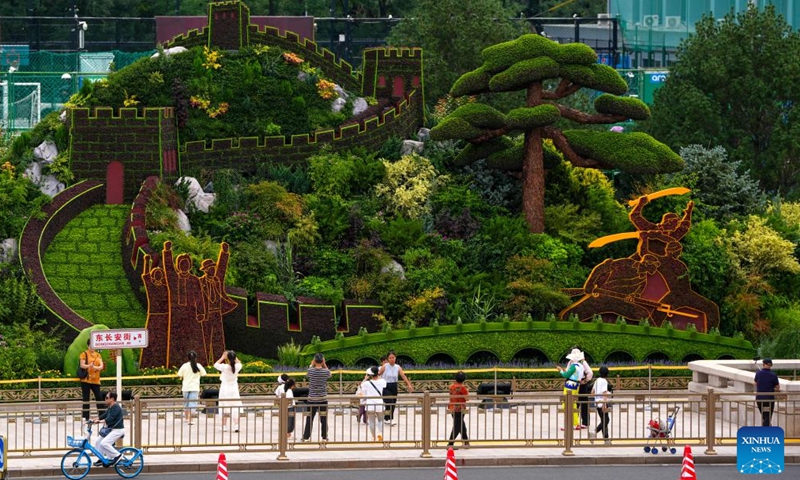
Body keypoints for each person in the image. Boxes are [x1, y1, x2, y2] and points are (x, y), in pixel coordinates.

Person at [302, 353, 331, 441]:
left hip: (312, 399)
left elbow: (307, 375)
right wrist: (324, 365)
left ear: (314, 361)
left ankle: (306, 437)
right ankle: (324, 436)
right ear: (322, 361)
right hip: (322, 398)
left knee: (309, 418)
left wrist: (312, 364)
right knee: (324, 418)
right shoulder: (325, 371)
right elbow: (330, 375)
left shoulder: (310, 371)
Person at [379, 351, 413, 425]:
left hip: (394, 386)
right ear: (388, 359)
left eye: (393, 357)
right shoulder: (384, 366)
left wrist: (409, 384)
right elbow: (378, 375)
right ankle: (390, 418)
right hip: (385, 386)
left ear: (395, 358)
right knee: (389, 401)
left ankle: (386, 417)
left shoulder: (397, 367)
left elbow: (403, 376)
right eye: (390, 358)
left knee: (393, 403)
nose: (392, 359)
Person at [91, 391, 124, 467]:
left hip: (117, 430)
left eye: (106, 398)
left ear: (112, 399)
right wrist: (94, 419)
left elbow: (110, 418)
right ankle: (101, 458)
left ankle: (118, 456)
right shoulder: (110, 407)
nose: (105, 399)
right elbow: (104, 415)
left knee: (104, 443)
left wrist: (99, 421)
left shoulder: (116, 407)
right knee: (97, 442)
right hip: (111, 429)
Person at [557, 348, 586, 430]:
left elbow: (566, 375)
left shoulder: (573, 366)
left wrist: (560, 371)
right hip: (576, 385)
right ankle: (575, 423)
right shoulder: (581, 366)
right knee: (574, 405)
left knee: (566, 405)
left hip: (570, 386)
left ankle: (569, 424)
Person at [214, 350, 242, 433]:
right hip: (234, 389)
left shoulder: (225, 367)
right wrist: (234, 355)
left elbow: (215, 365)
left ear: (228, 358)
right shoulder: (238, 366)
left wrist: (223, 357)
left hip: (225, 388)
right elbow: (239, 362)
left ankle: (224, 426)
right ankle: (236, 425)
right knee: (235, 406)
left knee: (223, 406)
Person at [177, 351, 207, 425]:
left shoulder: (184, 365)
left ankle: (186, 418)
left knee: (186, 403)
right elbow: (204, 374)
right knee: (192, 404)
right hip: (194, 387)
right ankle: (190, 419)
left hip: (186, 387)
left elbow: (179, 374)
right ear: (196, 357)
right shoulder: (198, 365)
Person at [80, 339, 105, 422]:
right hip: (86, 380)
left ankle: (102, 416)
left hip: (96, 380)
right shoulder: (84, 354)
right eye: (91, 345)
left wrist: (94, 367)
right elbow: (82, 365)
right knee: (86, 398)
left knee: (99, 397)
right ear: (88, 345)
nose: (92, 347)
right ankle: (86, 417)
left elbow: (101, 366)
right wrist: (89, 366)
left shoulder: (98, 355)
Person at [360, 366, 386, 441]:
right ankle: (380, 433)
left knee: (371, 421)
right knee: (380, 420)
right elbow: (384, 385)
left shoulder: (367, 383)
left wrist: (365, 378)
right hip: (379, 403)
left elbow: (361, 386)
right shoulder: (382, 381)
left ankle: (373, 437)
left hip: (370, 404)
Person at [588, 366, 611, 445]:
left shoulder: (597, 380)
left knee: (604, 421)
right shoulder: (604, 381)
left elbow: (592, 392)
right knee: (606, 420)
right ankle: (594, 432)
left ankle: (606, 439)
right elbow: (604, 392)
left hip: (597, 403)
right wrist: (605, 403)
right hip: (603, 403)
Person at [754, 358, 780, 427]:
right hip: (769, 399)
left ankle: (767, 429)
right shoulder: (773, 375)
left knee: (765, 416)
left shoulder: (758, 373)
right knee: (767, 416)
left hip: (759, 398)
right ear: (771, 365)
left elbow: (755, 383)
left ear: (763, 364)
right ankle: (766, 431)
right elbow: (778, 387)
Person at [447, 371, 470, 448]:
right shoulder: (462, 388)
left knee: (461, 425)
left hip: (452, 407)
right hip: (460, 409)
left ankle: (466, 442)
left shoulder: (451, 386)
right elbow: (467, 398)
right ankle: (450, 444)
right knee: (457, 426)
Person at [576, 350, 594, 429]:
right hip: (574, 385)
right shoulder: (570, 362)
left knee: (584, 403)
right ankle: (575, 422)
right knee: (573, 404)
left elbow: (590, 372)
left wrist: (585, 381)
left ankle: (585, 422)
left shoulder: (582, 362)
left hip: (582, 385)